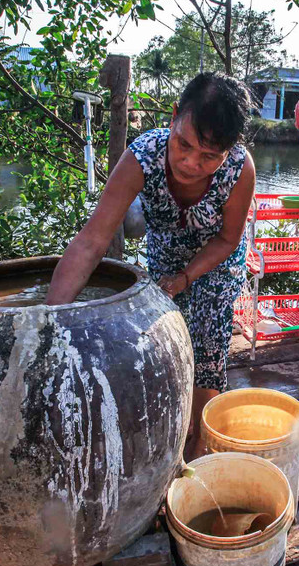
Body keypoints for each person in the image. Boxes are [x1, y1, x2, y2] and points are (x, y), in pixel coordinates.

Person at [46, 72, 256, 459]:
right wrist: (50, 316)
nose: (191, 163)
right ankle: (171, 432)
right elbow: (92, 240)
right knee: (161, 337)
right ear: (174, 116)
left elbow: (228, 239)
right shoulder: (141, 156)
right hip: (166, 252)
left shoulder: (240, 170)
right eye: (184, 144)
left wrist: (187, 276)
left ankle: (198, 444)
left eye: (209, 156)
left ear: (229, 151)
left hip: (217, 260)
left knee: (208, 345)